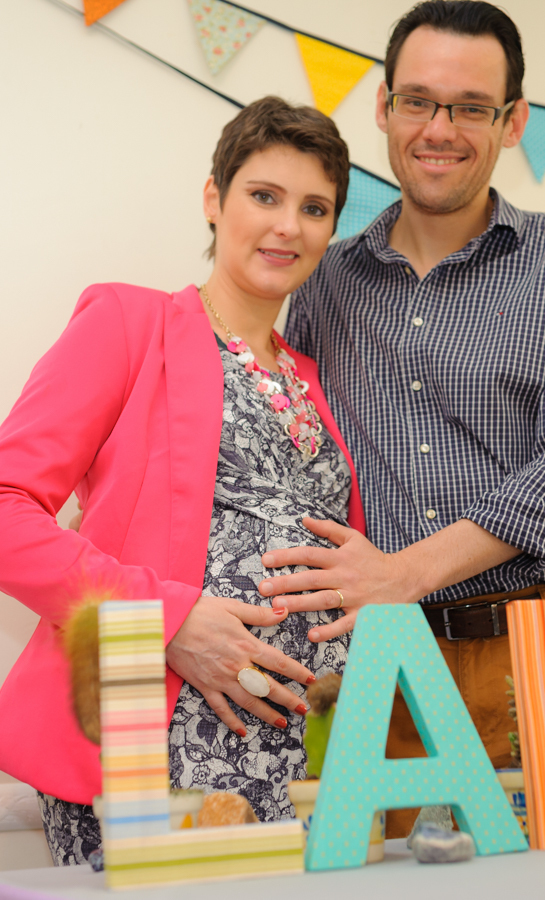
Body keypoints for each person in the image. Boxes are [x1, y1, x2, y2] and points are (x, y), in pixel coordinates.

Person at [263, 0, 545, 834]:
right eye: (419, 101)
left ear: (513, 123)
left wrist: (409, 570)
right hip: (386, 672)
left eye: (471, 107)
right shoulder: (323, 281)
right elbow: (307, 456)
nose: (441, 128)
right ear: (384, 108)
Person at [0, 97, 363, 865]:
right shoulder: (130, 326)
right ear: (213, 199)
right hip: (156, 754)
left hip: (311, 768)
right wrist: (170, 619)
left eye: (314, 207)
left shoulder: (313, 379)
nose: (287, 226)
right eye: (264, 196)